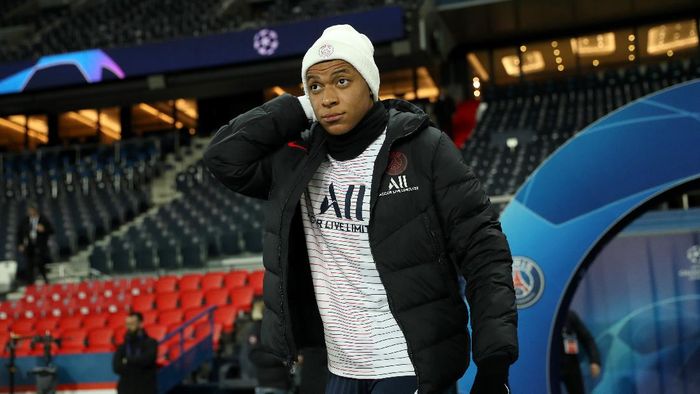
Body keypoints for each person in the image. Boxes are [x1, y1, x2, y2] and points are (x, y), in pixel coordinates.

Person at [204, 24, 518, 394]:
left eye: (342, 81)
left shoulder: (422, 148)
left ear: (369, 84)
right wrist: (301, 105)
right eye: (315, 86)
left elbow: (484, 251)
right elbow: (222, 157)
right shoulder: (297, 159)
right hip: (341, 371)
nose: (328, 98)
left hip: (410, 366)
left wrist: (494, 360)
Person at [112, 312, 158, 394]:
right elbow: (116, 367)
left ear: (141, 324)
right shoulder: (122, 347)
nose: (129, 327)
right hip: (125, 390)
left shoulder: (151, 343)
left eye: (132, 324)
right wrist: (138, 362)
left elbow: (148, 360)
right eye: (127, 324)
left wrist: (127, 360)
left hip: (145, 389)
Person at [560, 311, 601, 394]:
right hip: (547, 367)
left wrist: (595, 361)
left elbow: (587, 339)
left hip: (570, 365)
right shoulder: (539, 317)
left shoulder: (569, 315)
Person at [16, 202, 54, 285]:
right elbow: (19, 233)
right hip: (29, 246)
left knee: (40, 262)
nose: (30, 212)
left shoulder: (43, 219)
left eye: (32, 210)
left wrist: (44, 229)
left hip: (40, 246)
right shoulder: (25, 221)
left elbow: (51, 230)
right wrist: (20, 244)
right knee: (29, 265)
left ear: (35, 210)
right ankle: (30, 283)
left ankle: (45, 280)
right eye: (29, 210)